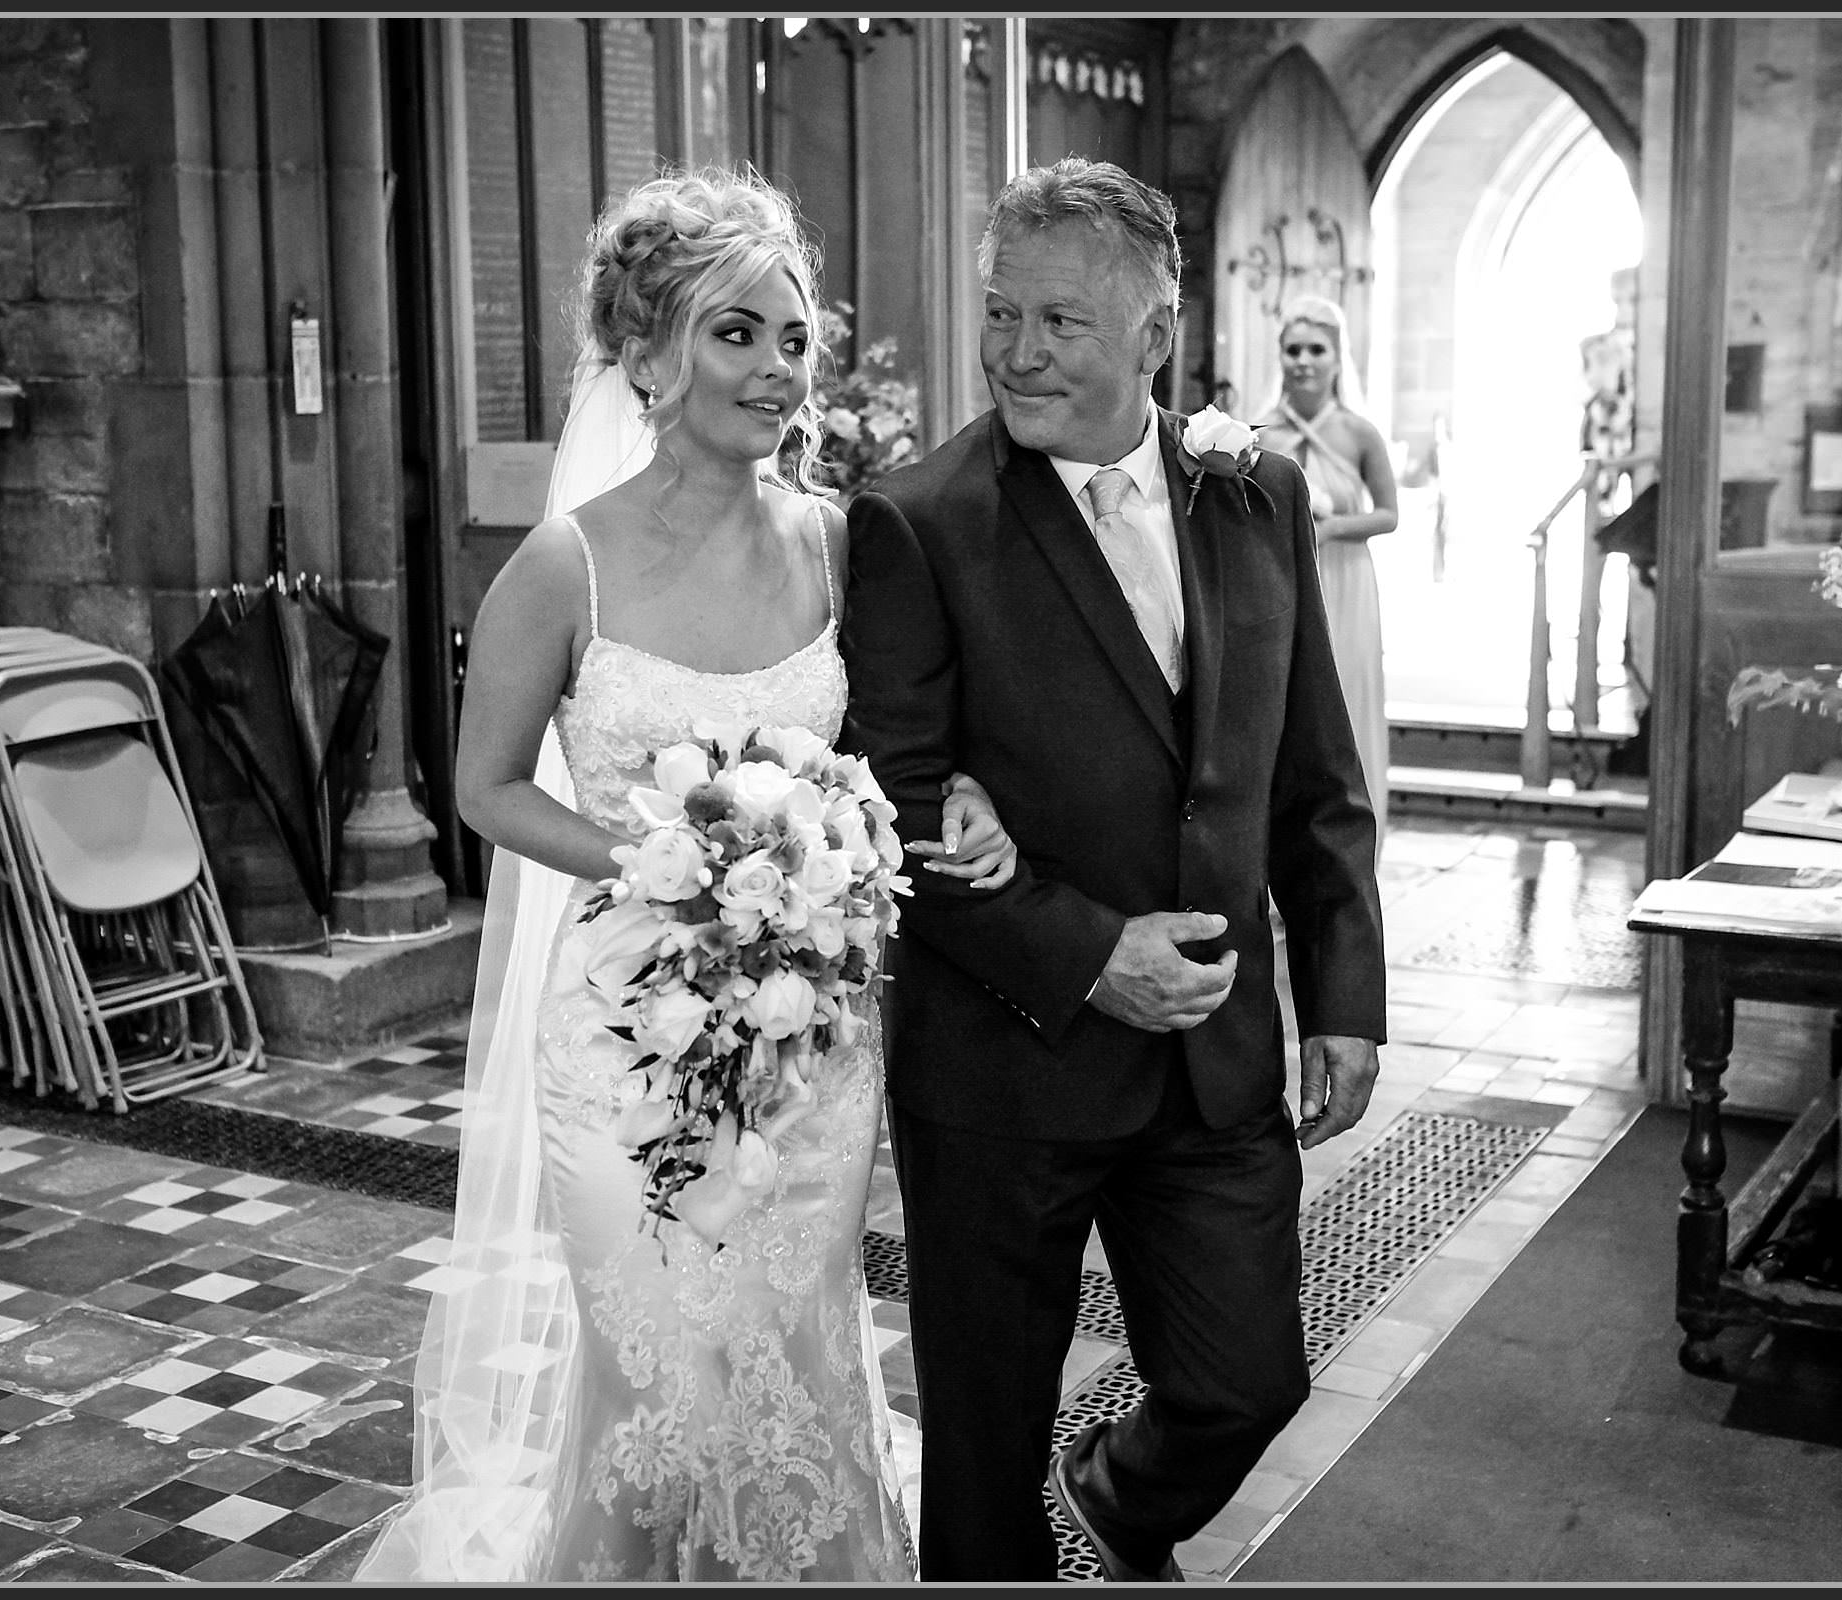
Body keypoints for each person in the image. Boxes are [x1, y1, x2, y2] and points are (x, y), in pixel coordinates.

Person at [355, 166, 1018, 1584]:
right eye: (736, 334)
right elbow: (480, 790)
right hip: (622, 1036)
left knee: (792, 1349)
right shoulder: (562, 568)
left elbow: (907, 743)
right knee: (666, 1378)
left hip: (812, 1045)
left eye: (794, 342)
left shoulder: (844, 544)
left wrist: (930, 805)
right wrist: (671, 864)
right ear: (646, 356)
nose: (776, 371)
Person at [840, 157, 1387, 1582]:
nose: (1017, 352)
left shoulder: (1256, 490)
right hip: (1004, 1064)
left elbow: (1314, 776)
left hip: (1211, 1054)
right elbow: (900, 810)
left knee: (1246, 1381)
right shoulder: (919, 520)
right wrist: (1092, 954)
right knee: (983, 1451)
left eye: (1061, 323)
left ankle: (1123, 1502)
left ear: (1155, 333)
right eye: (1001, 313)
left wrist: (1346, 997)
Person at [1254, 294, 1399, 832]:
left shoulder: (1359, 432)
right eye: (1293, 350)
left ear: (1338, 359)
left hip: (1346, 580)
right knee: (1286, 707)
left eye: (1316, 349)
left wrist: (1330, 529)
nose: (1304, 361)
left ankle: (1355, 835)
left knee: (1346, 700)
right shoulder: (1261, 432)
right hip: (1284, 582)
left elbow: (1388, 514)